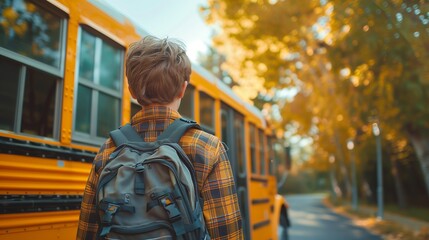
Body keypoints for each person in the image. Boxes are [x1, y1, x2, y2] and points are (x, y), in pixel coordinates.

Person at [77, 35, 243, 240]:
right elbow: (226, 232)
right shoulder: (207, 146)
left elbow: (88, 231)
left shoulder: (108, 150)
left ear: (131, 91)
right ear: (183, 89)